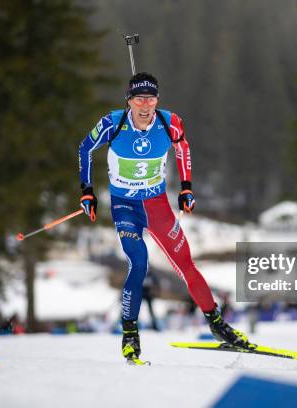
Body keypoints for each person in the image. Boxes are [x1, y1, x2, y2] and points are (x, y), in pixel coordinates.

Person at [78, 72, 251, 361]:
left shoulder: (169, 122)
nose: (145, 106)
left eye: (151, 98)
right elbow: (85, 148)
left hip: (157, 205)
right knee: (139, 262)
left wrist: (186, 188)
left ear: (157, 100)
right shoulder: (113, 123)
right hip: (125, 207)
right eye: (138, 99)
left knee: (185, 263)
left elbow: (183, 149)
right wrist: (87, 191)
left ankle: (219, 325)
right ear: (129, 101)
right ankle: (130, 335)